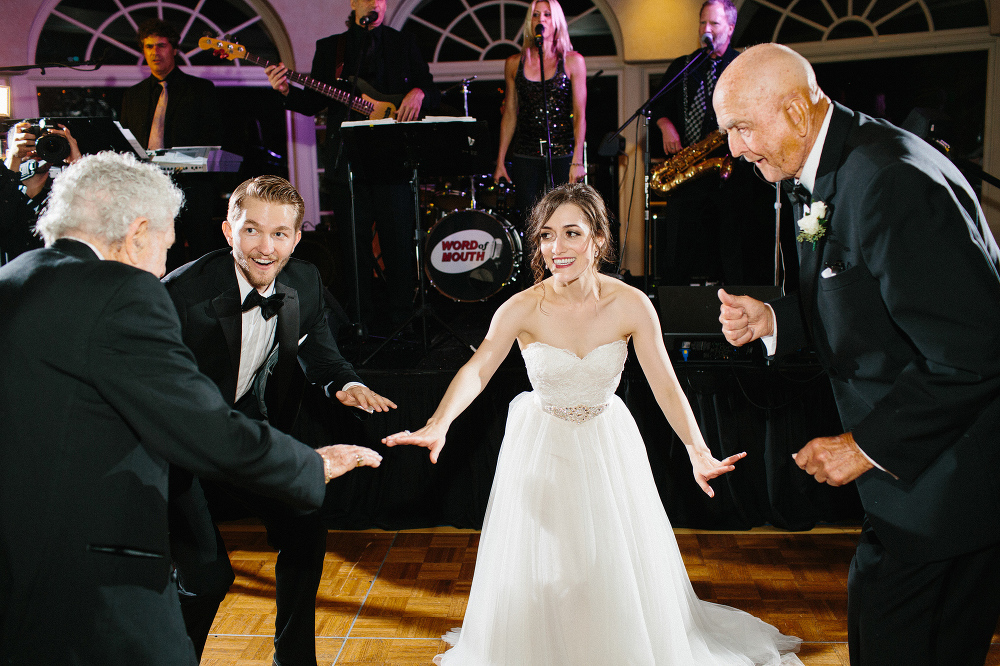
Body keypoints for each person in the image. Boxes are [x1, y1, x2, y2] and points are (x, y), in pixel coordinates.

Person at [383, 183, 803, 665]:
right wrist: (440, 422)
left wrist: (698, 451)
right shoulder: (523, 307)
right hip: (542, 445)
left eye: (570, 233)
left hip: (607, 443)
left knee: (608, 566)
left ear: (599, 239)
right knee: (551, 566)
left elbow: (665, 384)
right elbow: (477, 370)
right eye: (545, 236)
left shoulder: (631, 304)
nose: (555, 248)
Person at [0, 151, 382, 665]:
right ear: (137, 232)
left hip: (24, 529)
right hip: (99, 530)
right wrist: (314, 463)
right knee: (185, 603)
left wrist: (341, 383)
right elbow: (195, 423)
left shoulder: (17, 276)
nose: (169, 250)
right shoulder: (136, 294)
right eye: (166, 235)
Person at [713, 43, 1000, 666]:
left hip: (949, 489)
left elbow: (972, 352)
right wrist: (777, 320)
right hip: (919, 487)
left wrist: (862, 446)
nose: (734, 149)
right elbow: (863, 296)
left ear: (795, 109)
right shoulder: (825, 163)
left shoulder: (890, 180)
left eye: (741, 128)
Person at [162, 174, 397, 666]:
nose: (265, 247)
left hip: (246, 434)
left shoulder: (305, 281)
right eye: (251, 230)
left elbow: (320, 353)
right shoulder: (179, 297)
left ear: (296, 237)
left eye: (279, 233)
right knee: (207, 577)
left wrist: (345, 384)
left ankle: (294, 661)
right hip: (178, 449)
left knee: (306, 528)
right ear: (228, 231)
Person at [265, 0, 441, 333]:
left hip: (394, 162)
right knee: (354, 251)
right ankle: (362, 322)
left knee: (399, 245)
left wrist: (418, 92)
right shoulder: (332, 48)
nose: (374, 2)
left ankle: (401, 320)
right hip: (348, 163)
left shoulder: (404, 44)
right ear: (354, 4)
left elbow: (431, 91)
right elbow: (314, 100)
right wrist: (286, 90)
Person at [649, 0, 774, 286]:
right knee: (678, 252)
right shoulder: (684, 65)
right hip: (690, 171)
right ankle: (672, 318)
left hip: (732, 172)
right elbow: (657, 106)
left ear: (730, 28)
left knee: (733, 252)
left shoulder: (742, 66)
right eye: (703, 22)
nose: (707, 29)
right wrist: (666, 126)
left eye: (714, 23)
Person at [120, 18, 225, 268]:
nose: (155, 53)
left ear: (174, 49)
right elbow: (126, 145)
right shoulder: (132, 96)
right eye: (149, 47)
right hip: (150, 193)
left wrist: (169, 159)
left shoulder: (201, 90)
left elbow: (213, 141)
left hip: (193, 190)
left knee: (202, 260)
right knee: (161, 260)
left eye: (161, 45)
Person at [493, 0, 587, 229]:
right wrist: (500, 160)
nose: (541, 19)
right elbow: (510, 114)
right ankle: (532, 266)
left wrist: (577, 159)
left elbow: (580, 114)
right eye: (536, 15)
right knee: (530, 224)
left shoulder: (572, 61)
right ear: (530, 22)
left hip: (562, 152)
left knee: (565, 220)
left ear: (555, 21)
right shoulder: (515, 63)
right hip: (526, 153)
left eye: (547, 14)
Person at [1, 120, 81, 262]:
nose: (36, 150)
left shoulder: (62, 199)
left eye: (45, 142)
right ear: (9, 151)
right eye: (29, 143)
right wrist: (14, 159)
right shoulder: (5, 195)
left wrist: (78, 166)